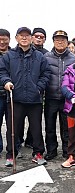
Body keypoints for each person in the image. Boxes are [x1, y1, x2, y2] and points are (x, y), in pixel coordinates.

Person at [0, 27, 51, 167]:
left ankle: (38, 153)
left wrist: (39, 88)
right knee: (13, 129)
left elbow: (46, 74)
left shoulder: (40, 56)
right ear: (16, 38)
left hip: (35, 100)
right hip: (15, 99)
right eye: (21, 36)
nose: (24, 38)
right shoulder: (9, 56)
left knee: (36, 129)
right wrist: (6, 81)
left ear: (31, 38)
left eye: (27, 36)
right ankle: (11, 155)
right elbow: (2, 71)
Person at [44, 30, 75, 160]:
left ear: (67, 42)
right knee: (49, 126)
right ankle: (51, 150)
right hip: (51, 97)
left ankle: (67, 151)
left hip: (67, 98)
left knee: (67, 127)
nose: (60, 42)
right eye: (57, 39)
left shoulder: (73, 58)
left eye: (63, 39)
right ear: (53, 41)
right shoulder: (46, 57)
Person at [0, 29, 10, 157]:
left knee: (13, 124)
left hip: (10, 94)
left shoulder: (13, 54)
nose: (2, 42)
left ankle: (14, 148)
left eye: (4, 39)